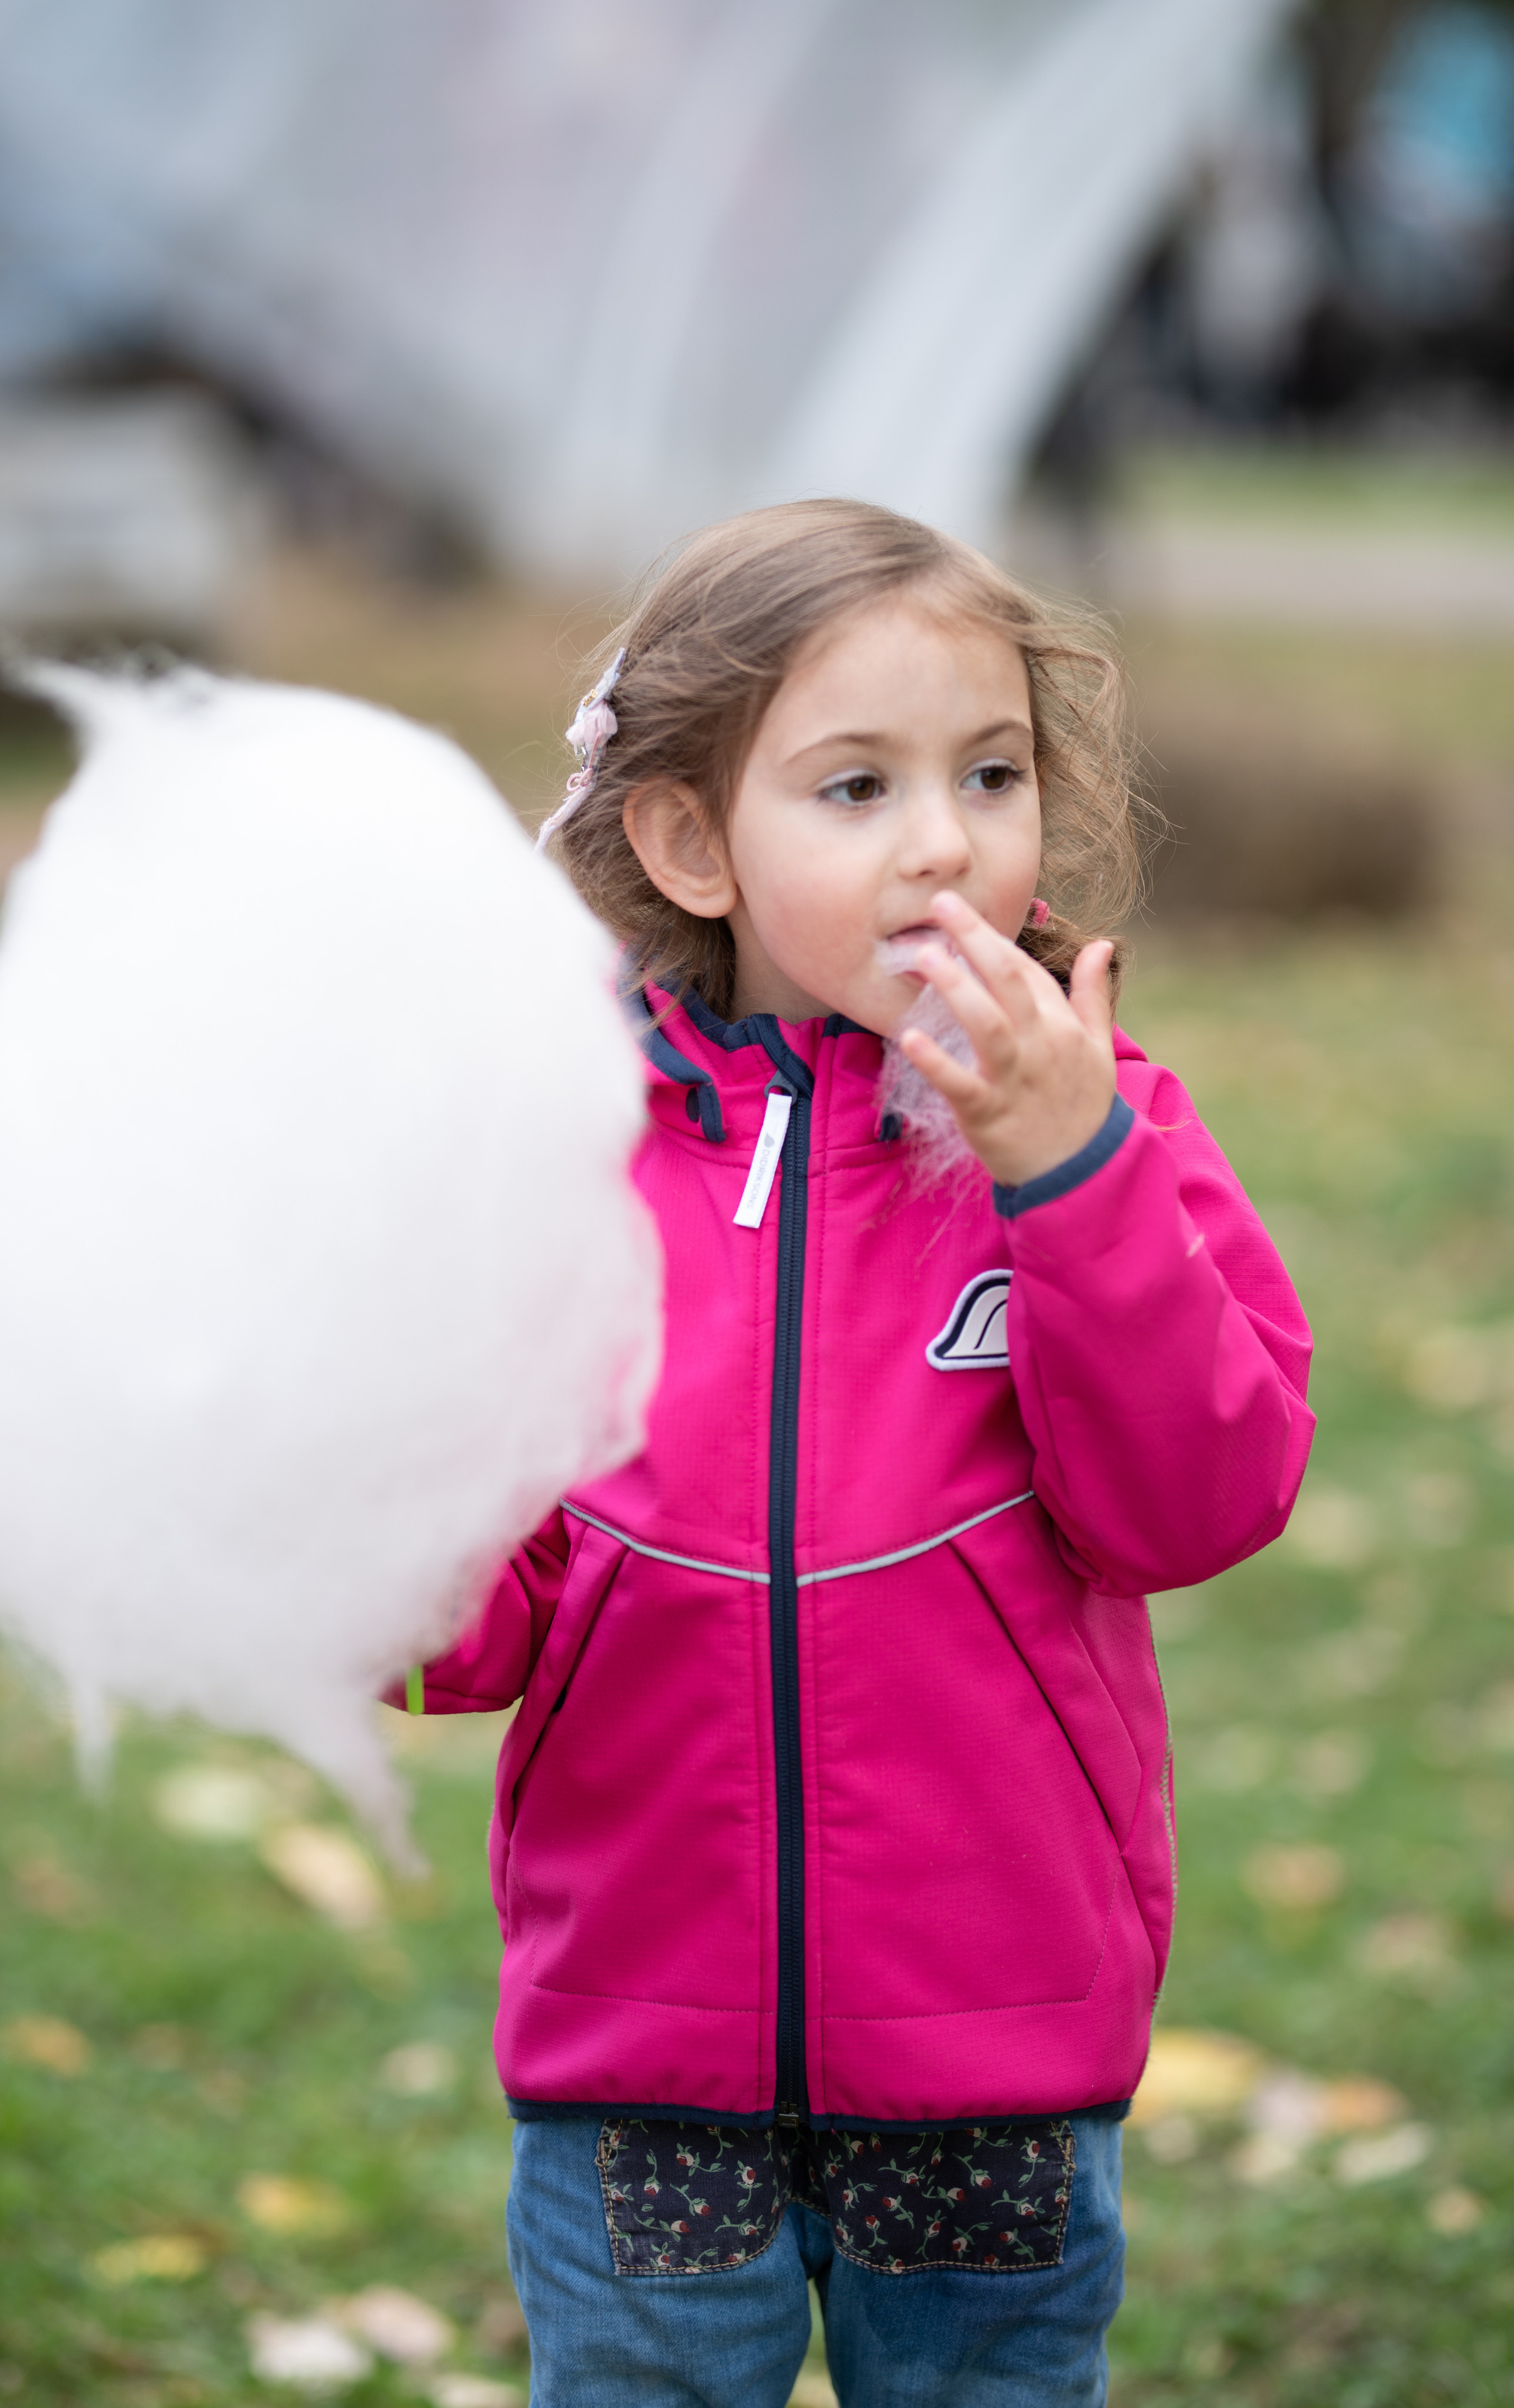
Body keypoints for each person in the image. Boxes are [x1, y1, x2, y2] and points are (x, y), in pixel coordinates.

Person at [402, 499, 1314, 2407]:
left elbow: (1202, 1498)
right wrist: (345, 1495)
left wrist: (1070, 1177)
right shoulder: (571, 1169)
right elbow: (464, 1640)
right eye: (855, 785)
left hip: (993, 2050)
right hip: (638, 2062)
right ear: (684, 840)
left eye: (991, 772)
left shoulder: (1105, 1125)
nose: (944, 839)